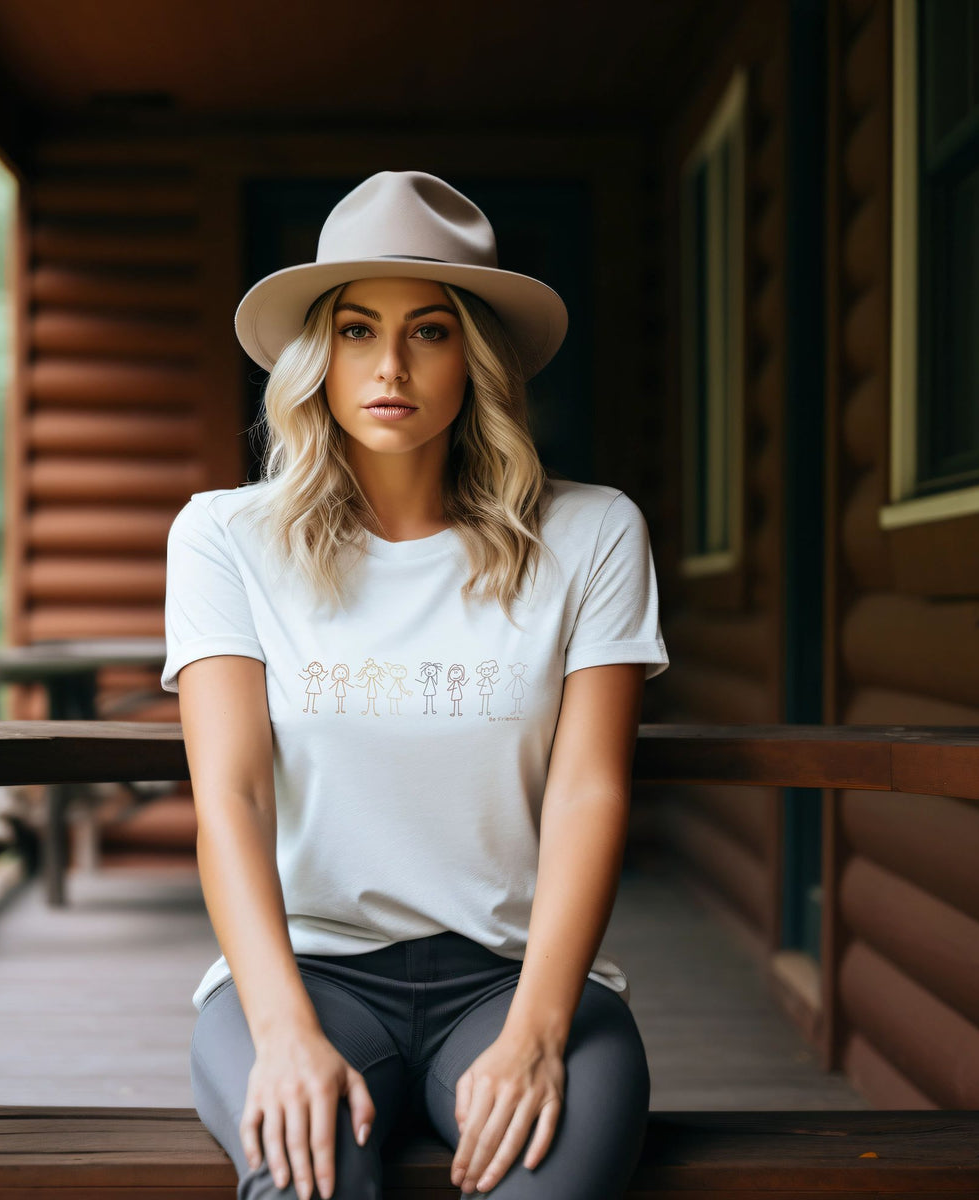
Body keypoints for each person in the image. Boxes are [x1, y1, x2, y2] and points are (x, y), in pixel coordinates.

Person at [162, 170, 669, 1200]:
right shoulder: (226, 538)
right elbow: (233, 798)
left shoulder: (592, 534)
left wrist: (537, 1028)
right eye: (356, 330)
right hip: (305, 973)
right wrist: (281, 1030)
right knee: (311, 1187)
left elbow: (588, 795)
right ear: (317, 354)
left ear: (476, 356)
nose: (390, 364)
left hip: (514, 978)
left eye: (429, 331)